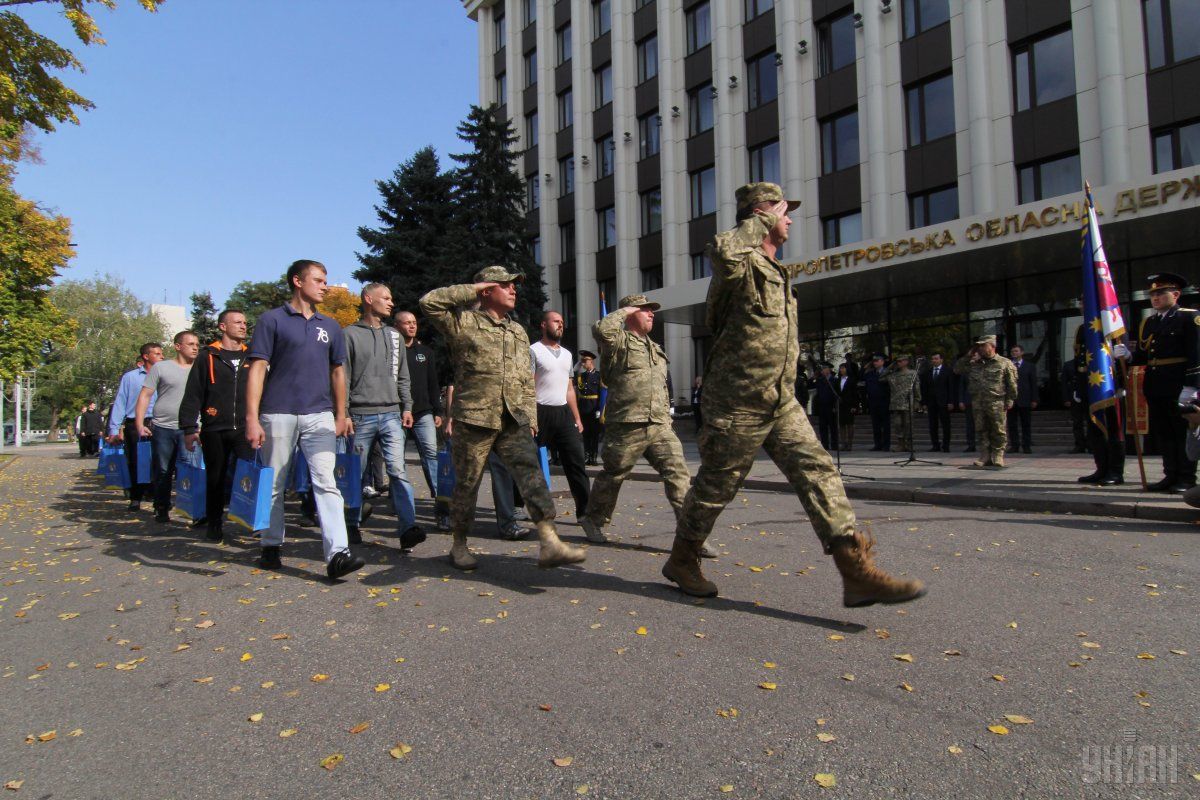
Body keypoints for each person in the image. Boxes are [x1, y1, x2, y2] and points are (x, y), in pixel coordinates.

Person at [662, 182, 924, 607]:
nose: (789, 219)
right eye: (783, 211)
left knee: (818, 471)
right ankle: (682, 558)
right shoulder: (739, 264)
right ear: (761, 213)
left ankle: (855, 572)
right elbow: (723, 250)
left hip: (781, 400)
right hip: (737, 401)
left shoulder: (778, 271)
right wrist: (759, 219)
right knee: (715, 487)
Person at [419, 267, 585, 571]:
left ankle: (549, 541)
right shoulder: (462, 322)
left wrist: (530, 415)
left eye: (513, 286)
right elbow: (430, 302)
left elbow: (525, 377)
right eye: (505, 285)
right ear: (487, 291)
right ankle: (459, 544)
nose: (513, 290)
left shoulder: (517, 330)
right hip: (475, 418)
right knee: (467, 485)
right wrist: (474, 287)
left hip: (512, 418)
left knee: (531, 476)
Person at [244, 259, 363, 580]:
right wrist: (252, 418)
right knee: (275, 485)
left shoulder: (331, 326)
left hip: (319, 415)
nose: (325, 285)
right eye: (319, 280)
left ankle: (338, 553)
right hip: (277, 413)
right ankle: (270, 545)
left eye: (326, 280)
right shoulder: (271, 320)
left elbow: (338, 372)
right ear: (298, 281)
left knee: (327, 482)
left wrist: (342, 414)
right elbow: (257, 370)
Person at [579, 296, 692, 548]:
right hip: (627, 423)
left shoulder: (656, 348)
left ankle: (691, 535)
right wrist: (626, 310)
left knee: (678, 474)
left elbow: (662, 385)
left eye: (652, 311)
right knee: (614, 475)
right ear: (630, 313)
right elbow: (601, 329)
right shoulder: (618, 341)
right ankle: (593, 519)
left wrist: (667, 415)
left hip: (659, 424)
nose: (651, 314)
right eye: (645, 310)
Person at [342, 283, 425, 550]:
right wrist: (343, 413)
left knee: (398, 471)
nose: (391, 302)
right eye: (386, 298)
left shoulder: (394, 336)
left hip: (391, 414)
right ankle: (351, 523)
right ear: (368, 299)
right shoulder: (349, 335)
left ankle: (407, 528)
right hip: (360, 415)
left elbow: (403, 375)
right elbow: (342, 378)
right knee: (357, 474)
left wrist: (407, 406)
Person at [179, 308, 251, 541]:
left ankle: (251, 521)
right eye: (237, 322)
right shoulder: (207, 356)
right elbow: (193, 393)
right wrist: (189, 428)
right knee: (216, 477)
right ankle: (214, 523)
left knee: (250, 475)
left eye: (245, 322)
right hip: (215, 427)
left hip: (245, 427)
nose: (243, 326)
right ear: (223, 327)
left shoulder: (252, 357)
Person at [1127, 272, 1200, 492]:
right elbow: (1144, 356)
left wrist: (1192, 386)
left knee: (1182, 430)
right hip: (1155, 384)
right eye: (1153, 294)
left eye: (1161, 293)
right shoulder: (1148, 322)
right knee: (1164, 432)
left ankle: (1186, 478)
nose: (1155, 298)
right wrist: (1128, 356)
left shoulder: (1190, 317)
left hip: (1179, 383)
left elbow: (1197, 354)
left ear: (1176, 294)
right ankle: (1170, 475)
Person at [136, 330, 201, 524]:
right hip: (163, 426)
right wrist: (139, 423)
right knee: (163, 470)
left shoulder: (201, 368)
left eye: (197, 344)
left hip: (190, 428)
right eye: (190, 344)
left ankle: (194, 510)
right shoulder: (161, 368)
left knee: (191, 470)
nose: (195, 347)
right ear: (178, 346)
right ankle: (161, 507)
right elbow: (145, 396)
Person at [530, 310, 590, 518]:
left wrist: (577, 418)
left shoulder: (567, 354)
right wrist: (529, 417)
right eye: (556, 321)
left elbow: (569, 388)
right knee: (528, 463)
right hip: (539, 412)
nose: (560, 325)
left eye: (562, 322)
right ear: (544, 325)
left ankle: (585, 512)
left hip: (563, 413)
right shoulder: (533, 351)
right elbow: (527, 386)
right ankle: (520, 505)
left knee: (576, 462)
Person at [395, 311, 443, 514]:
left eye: (414, 322)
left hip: (423, 412)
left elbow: (433, 383)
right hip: (396, 412)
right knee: (397, 460)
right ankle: (401, 503)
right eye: (407, 323)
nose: (412, 326)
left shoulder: (425, 352)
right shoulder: (392, 352)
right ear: (397, 326)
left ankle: (442, 503)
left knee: (431, 454)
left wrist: (438, 410)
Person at [108, 343, 164, 511]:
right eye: (157, 354)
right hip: (135, 424)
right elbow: (120, 402)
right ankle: (135, 496)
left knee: (159, 461)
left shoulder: (165, 375)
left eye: (162, 354)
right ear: (146, 356)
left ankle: (157, 498)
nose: (162, 357)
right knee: (135, 460)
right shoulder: (130, 377)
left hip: (160, 422)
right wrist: (114, 429)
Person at [955, 335, 1017, 469]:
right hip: (978, 402)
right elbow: (957, 369)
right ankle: (985, 455)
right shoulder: (974, 364)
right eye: (979, 346)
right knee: (981, 429)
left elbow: (1012, 384)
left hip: (997, 402)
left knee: (998, 429)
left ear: (992, 346)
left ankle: (998, 455)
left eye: (984, 345)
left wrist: (1010, 399)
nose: (980, 348)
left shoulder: (1004, 363)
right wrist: (968, 356)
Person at [1075, 323, 1126, 486]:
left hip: (1109, 386)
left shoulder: (1112, 323)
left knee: (1113, 430)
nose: (1083, 303)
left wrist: (1122, 384)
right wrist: (1079, 386)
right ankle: (1101, 469)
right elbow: (1081, 359)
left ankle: (1116, 472)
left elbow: (1121, 357)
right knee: (1095, 431)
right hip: (1091, 384)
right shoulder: (1083, 328)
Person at [884, 355, 921, 452]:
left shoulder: (912, 373)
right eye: (897, 361)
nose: (898, 363)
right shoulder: (894, 375)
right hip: (896, 403)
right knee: (897, 424)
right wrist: (892, 365)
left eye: (900, 361)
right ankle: (900, 444)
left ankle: (909, 444)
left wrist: (917, 400)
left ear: (906, 362)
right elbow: (881, 377)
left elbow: (916, 388)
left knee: (909, 425)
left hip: (908, 402)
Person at [1007, 344, 1037, 454]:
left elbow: (1033, 383)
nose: (1014, 353)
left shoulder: (1029, 366)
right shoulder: (1008, 365)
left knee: (1026, 424)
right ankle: (1014, 445)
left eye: (1016, 351)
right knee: (1012, 424)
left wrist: (1034, 399)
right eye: (1012, 351)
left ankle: (1026, 445)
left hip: (1025, 399)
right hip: (1011, 400)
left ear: (1022, 352)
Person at [921, 352, 954, 452]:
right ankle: (935, 445)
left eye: (936, 359)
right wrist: (924, 403)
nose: (934, 361)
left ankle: (946, 445)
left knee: (945, 424)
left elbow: (951, 387)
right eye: (933, 359)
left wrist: (950, 401)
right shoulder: (928, 372)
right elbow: (924, 388)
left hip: (943, 402)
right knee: (932, 425)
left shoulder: (947, 371)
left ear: (941, 360)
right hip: (932, 402)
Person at [576, 350, 603, 464]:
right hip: (583, 407)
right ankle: (586, 456)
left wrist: (599, 409)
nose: (583, 363)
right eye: (581, 361)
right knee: (585, 433)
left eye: (584, 361)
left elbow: (601, 393)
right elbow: (575, 386)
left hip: (594, 407)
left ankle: (594, 456)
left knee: (594, 433)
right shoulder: (581, 376)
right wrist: (576, 368)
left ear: (591, 361)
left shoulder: (599, 375)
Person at [863, 354, 891, 451]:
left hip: (884, 401)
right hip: (873, 401)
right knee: (876, 425)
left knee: (886, 425)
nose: (875, 362)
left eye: (877, 360)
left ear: (882, 362)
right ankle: (877, 444)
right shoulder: (870, 373)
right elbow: (862, 379)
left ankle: (886, 445)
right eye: (874, 361)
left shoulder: (887, 373)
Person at [812, 362, 839, 451]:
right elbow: (810, 385)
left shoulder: (834, 380)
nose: (823, 370)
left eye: (824, 368)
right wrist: (814, 377)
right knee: (823, 427)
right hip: (822, 406)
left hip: (831, 406)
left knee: (833, 427)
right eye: (822, 369)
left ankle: (834, 444)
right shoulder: (820, 380)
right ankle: (825, 444)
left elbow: (837, 394)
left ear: (829, 369)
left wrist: (835, 406)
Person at [956, 350, 976, 452]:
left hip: (983, 401)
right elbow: (961, 387)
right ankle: (971, 444)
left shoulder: (986, 368)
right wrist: (961, 400)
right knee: (970, 425)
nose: (974, 358)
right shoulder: (966, 371)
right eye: (972, 356)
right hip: (969, 401)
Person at [835, 364, 857, 450]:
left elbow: (855, 394)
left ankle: (850, 443)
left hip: (849, 404)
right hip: (841, 404)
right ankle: (843, 443)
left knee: (850, 424)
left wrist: (854, 405)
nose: (841, 370)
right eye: (840, 368)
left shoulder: (852, 380)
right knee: (842, 424)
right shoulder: (838, 380)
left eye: (843, 368)